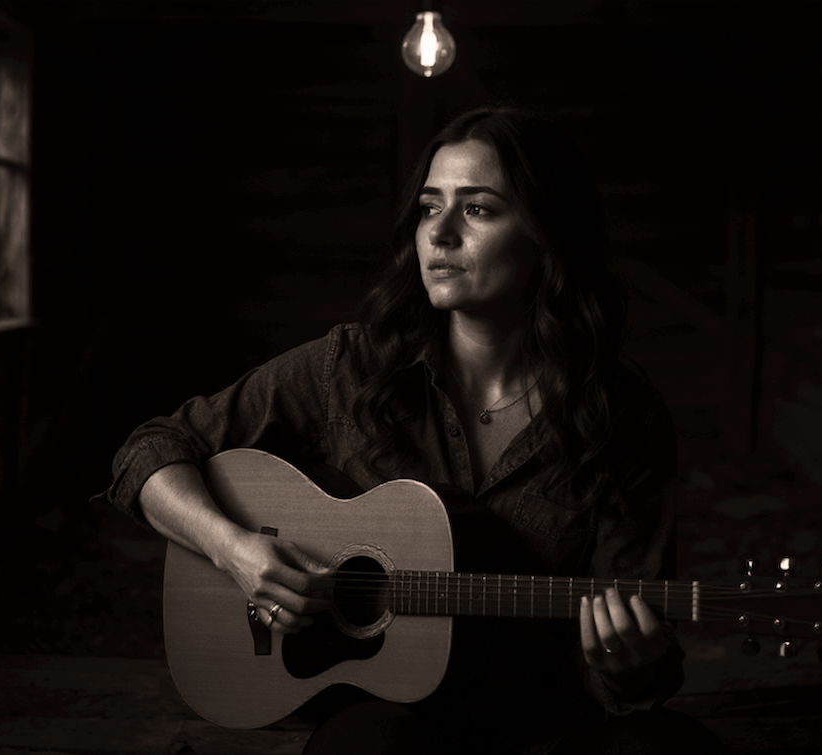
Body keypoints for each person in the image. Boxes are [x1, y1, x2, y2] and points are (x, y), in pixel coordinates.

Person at [93, 106, 726, 754]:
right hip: (391, 723)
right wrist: (234, 549)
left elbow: (628, 673)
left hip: (546, 728)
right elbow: (151, 450)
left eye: (477, 209)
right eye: (428, 207)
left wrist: (627, 664)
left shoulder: (620, 411)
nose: (439, 234)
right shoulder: (352, 365)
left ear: (547, 234)